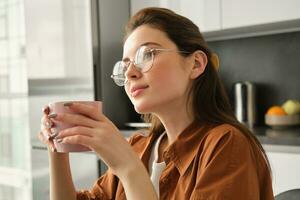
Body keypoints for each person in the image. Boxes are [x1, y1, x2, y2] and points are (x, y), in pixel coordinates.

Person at [39, 7, 274, 200]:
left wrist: (129, 169)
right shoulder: (139, 147)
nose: (130, 72)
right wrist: (57, 149)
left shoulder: (226, 145)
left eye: (147, 54)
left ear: (196, 64)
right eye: (126, 64)